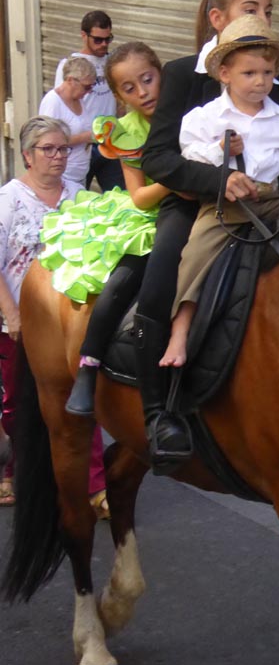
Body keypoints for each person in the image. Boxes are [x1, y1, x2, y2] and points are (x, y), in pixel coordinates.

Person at [139, 0, 279, 470]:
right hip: (197, 202)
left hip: (269, 200)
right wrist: (218, 180)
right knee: (162, 273)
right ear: (217, 17)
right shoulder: (184, 74)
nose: (263, 18)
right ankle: (160, 408)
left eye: (269, 11)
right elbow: (159, 159)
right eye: (252, 8)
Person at [159, 16, 279, 369]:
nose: (260, 81)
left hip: (270, 200)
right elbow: (190, 157)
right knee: (195, 254)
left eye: (266, 73)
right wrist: (221, 152)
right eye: (249, 74)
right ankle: (181, 329)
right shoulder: (204, 118)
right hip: (224, 204)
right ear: (225, 74)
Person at [51, 42, 169, 416]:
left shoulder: (192, 113)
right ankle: (90, 362)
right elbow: (140, 198)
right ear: (119, 96)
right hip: (153, 213)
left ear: (161, 74)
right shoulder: (126, 132)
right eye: (129, 89)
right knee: (125, 278)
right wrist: (180, 176)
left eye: (147, 80)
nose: (143, 92)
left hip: (208, 206)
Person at [0, 117, 82, 508]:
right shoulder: (10, 199)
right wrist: (13, 316)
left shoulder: (80, 195)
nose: (58, 157)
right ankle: (16, 471)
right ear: (28, 156)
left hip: (70, 323)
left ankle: (76, 476)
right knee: (20, 401)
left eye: (63, 149)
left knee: (76, 400)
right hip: (20, 322)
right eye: (48, 149)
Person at [55, 10, 125, 191]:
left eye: (108, 39)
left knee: (119, 195)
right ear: (83, 35)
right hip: (82, 145)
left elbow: (119, 99)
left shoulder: (112, 61)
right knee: (76, 198)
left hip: (109, 143)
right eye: (98, 40)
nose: (104, 44)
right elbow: (62, 104)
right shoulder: (69, 65)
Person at [38, 56, 97, 186]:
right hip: (61, 177)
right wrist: (85, 137)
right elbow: (47, 142)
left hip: (80, 175)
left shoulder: (79, 99)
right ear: (70, 80)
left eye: (92, 86)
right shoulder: (52, 102)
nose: (89, 91)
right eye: (86, 87)